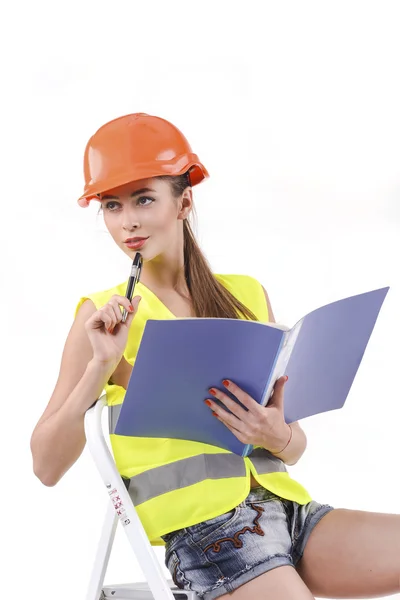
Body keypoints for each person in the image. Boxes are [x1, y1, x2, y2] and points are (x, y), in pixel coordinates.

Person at [30, 113, 400, 599]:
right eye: (112, 206)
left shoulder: (247, 297)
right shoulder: (102, 318)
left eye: (144, 199)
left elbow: (294, 447)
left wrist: (278, 434)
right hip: (210, 537)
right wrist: (99, 367)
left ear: (184, 201)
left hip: (290, 515)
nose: (129, 222)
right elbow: (45, 467)